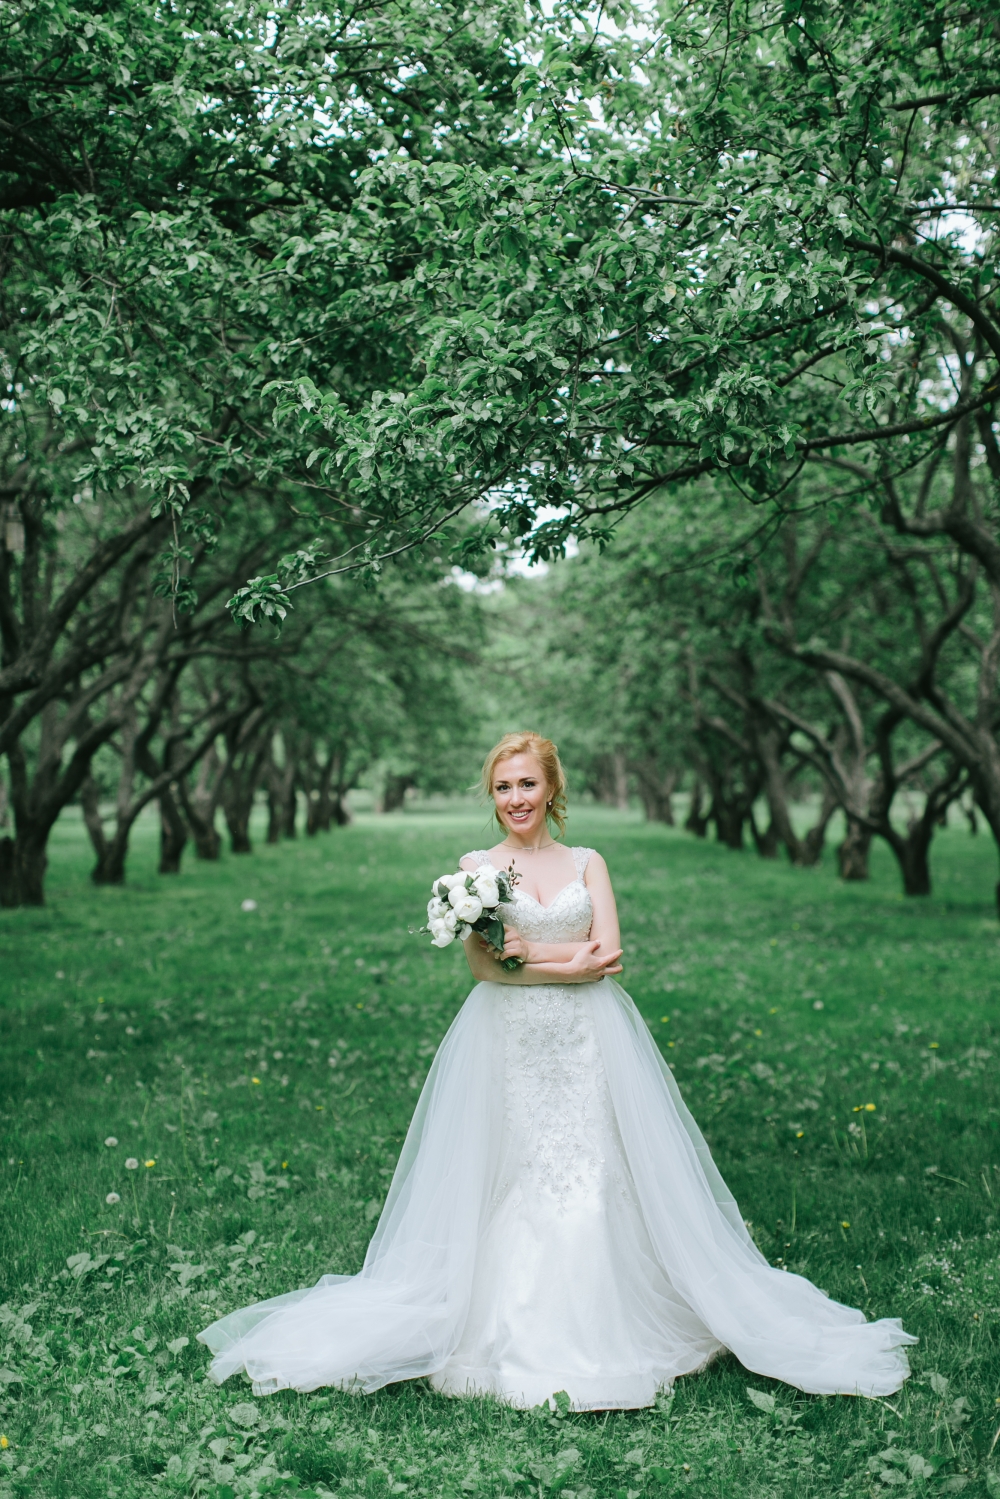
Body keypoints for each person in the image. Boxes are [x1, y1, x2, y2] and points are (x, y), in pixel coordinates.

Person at [198, 730, 915, 1409]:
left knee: (595, 1170)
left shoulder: (586, 863)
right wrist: (558, 963)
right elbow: (484, 968)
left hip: (587, 1041)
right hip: (506, 1042)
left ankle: (612, 1320)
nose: (515, 797)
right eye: (503, 785)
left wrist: (531, 960)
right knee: (507, 1171)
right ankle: (500, 1327)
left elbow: (609, 956)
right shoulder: (476, 872)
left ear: (551, 788)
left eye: (527, 783)